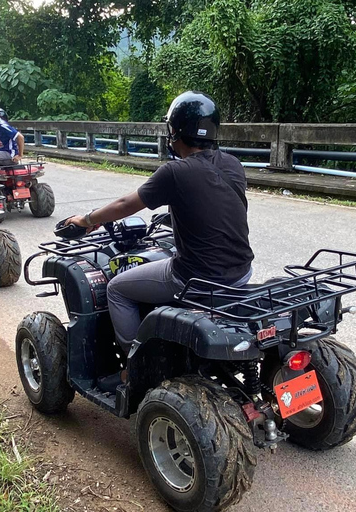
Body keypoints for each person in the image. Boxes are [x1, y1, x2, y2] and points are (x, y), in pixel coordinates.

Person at [65, 91, 254, 392]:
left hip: (196, 278)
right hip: (242, 273)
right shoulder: (233, 164)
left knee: (117, 288)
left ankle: (134, 364)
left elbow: (128, 203)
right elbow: (218, 207)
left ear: (176, 132)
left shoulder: (175, 172)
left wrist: (87, 220)